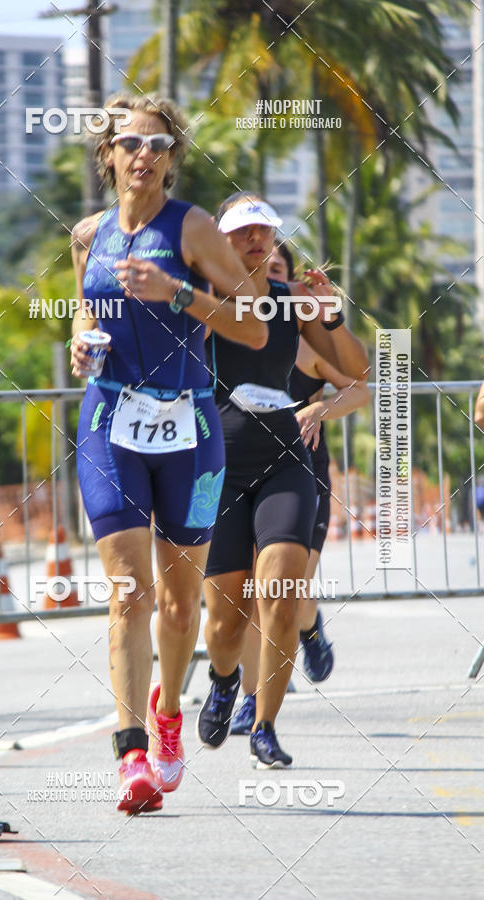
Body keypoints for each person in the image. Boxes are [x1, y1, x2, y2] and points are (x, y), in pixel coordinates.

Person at [69, 94, 268, 813]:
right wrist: (80, 343)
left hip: (189, 427)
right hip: (109, 418)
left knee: (180, 607)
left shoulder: (193, 229)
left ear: (173, 158)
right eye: (130, 144)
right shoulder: (89, 234)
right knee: (128, 592)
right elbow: (88, 309)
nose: (144, 156)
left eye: (158, 145)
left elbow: (252, 328)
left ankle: (168, 718)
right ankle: (130, 757)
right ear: (109, 156)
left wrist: (179, 293)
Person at [196, 192, 369, 767]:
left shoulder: (291, 306)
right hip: (217, 469)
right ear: (219, 242)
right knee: (225, 619)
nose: (254, 241)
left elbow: (359, 374)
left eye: (263, 233)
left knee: (281, 590)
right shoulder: (203, 301)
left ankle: (265, 722)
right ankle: (223, 680)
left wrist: (331, 313)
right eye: (242, 233)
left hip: (285, 463)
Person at [231, 241, 371, 735]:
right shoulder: (226, 325)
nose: (264, 276)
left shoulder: (306, 342)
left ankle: (309, 628)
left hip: (300, 470)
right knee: (249, 592)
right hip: (238, 472)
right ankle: (252, 701)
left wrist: (318, 409)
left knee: (291, 590)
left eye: (275, 269)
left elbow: (362, 385)